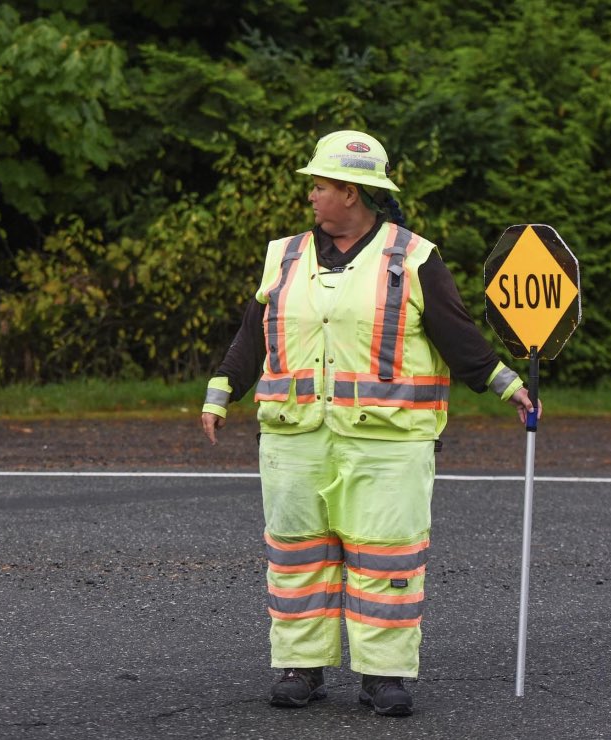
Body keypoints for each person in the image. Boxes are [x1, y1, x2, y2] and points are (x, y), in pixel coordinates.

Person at [200, 129, 537, 717]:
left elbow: (458, 338)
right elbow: (254, 334)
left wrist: (508, 385)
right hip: (293, 436)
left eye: (322, 186)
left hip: (389, 442)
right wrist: (223, 390)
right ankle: (300, 668)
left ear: (352, 194)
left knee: (387, 557)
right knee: (297, 557)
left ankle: (385, 676)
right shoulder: (284, 255)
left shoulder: (413, 257)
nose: (312, 196)